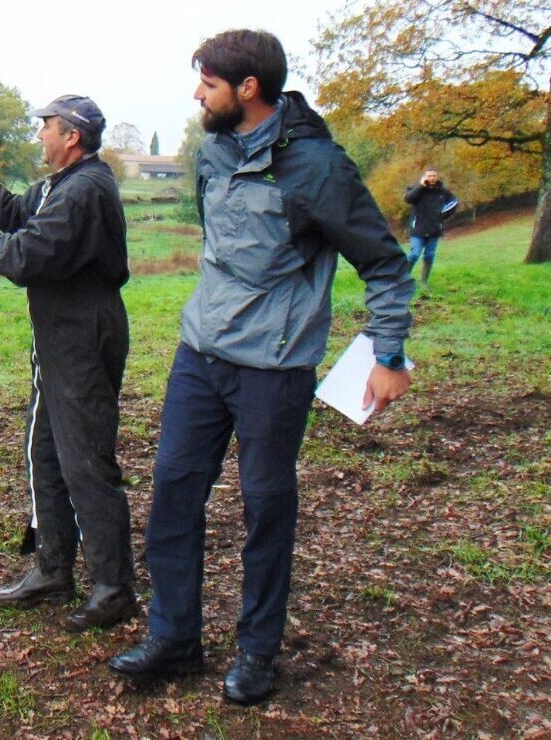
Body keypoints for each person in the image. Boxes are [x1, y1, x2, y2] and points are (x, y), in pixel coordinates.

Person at [108, 30, 415, 705]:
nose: (197, 95)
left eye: (208, 84)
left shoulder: (318, 168)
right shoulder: (214, 151)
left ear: (248, 89)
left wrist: (388, 354)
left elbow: (387, 266)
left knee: (265, 508)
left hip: (274, 370)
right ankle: (175, 636)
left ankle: (256, 651)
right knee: (173, 494)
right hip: (201, 355)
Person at [0, 95, 136, 633]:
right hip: (58, 335)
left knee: (86, 462)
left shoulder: (88, 190)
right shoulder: (57, 187)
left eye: (45, 126)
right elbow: (22, 216)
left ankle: (114, 588)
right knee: (44, 453)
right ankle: (53, 568)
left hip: (84, 335)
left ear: (71, 136)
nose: (39, 134)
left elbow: (28, 256)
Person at [404, 167, 458, 289]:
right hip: (418, 229)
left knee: (429, 256)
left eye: (434, 175)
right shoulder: (416, 189)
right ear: (424, 177)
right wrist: (421, 186)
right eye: (429, 176)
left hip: (434, 229)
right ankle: (402, 279)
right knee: (414, 254)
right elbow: (408, 199)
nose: (432, 178)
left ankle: (423, 282)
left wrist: (442, 215)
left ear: (438, 177)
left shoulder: (443, 192)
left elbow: (454, 202)